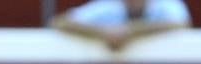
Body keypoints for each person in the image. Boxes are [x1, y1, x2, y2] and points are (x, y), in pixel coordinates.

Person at [51, 0, 191, 50]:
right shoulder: (109, 6)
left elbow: (182, 24)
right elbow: (60, 21)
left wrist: (130, 31)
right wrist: (103, 33)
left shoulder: (164, 4)